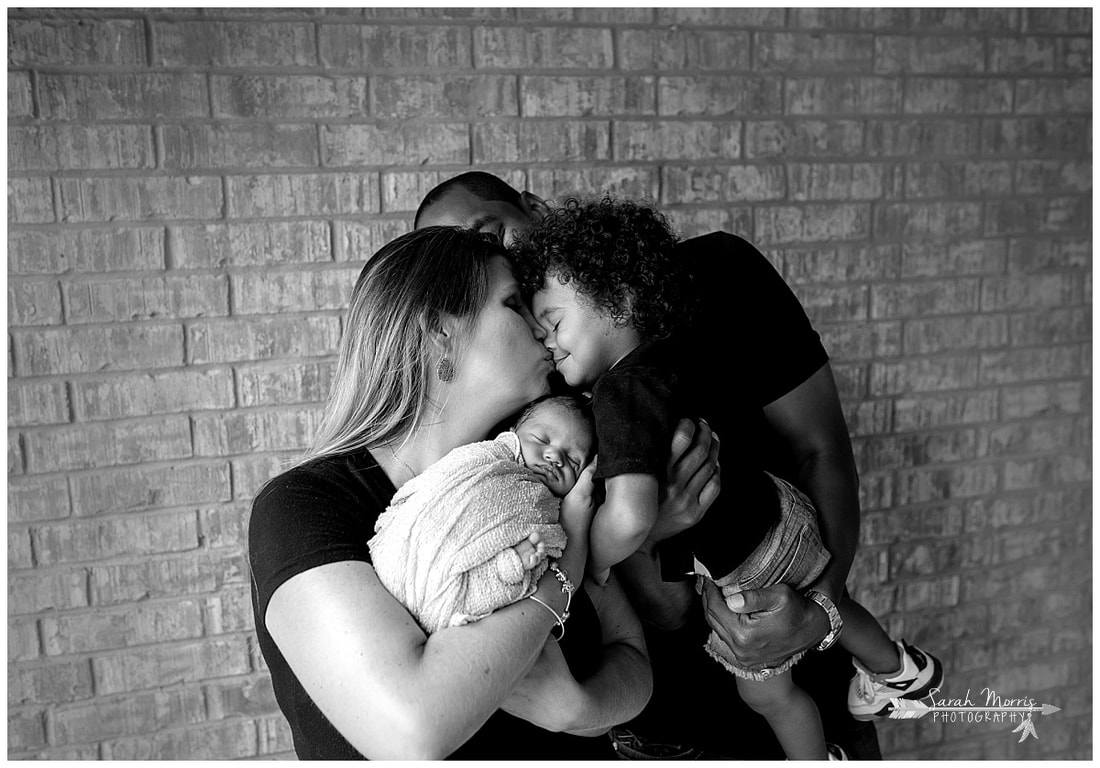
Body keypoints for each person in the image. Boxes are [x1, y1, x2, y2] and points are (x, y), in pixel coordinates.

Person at [415, 171, 883, 759]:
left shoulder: (716, 272)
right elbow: (583, 579)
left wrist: (820, 612)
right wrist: (649, 531)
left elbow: (822, 449)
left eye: (490, 234)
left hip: (803, 655)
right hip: (662, 720)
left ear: (533, 208)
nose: (485, 265)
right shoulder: (517, 390)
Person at [514, 196, 944, 760]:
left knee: (769, 694)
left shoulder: (618, 395)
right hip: (776, 514)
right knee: (808, 595)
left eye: (555, 324)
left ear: (616, 300)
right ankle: (901, 671)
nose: (545, 341)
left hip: (749, 561)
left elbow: (634, 513)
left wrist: (589, 559)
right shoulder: (656, 363)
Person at [248, 226, 654, 759]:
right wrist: (561, 578)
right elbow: (414, 730)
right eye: (513, 304)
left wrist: (578, 708)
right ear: (440, 331)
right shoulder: (302, 508)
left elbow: (634, 663)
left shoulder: (538, 473)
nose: (541, 326)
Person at [368, 395, 595, 635]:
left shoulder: (548, 509)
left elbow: (549, 542)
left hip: (461, 598)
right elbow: (440, 477)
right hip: (405, 552)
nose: (555, 457)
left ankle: (506, 568)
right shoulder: (485, 455)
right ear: (513, 432)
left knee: (518, 570)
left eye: (573, 461)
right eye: (541, 439)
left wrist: (512, 565)